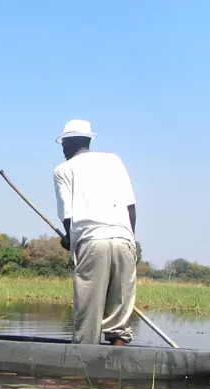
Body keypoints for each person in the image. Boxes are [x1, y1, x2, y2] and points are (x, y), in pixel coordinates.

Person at [52, 119, 138, 346]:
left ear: (70, 143)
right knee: (119, 319)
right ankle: (116, 368)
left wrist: (70, 240)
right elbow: (131, 208)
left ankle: (84, 368)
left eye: (63, 144)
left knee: (88, 318)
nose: (62, 149)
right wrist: (130, 242)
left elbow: (67, 217)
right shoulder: (114, 160)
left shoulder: (63, 170)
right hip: (125, 240)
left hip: (92, 242)